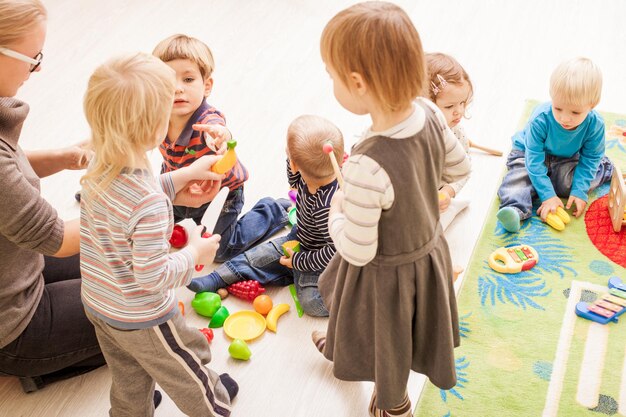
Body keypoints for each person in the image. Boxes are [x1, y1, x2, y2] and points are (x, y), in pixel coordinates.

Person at [311, 3, 463, 416]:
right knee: (353, 308)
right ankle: (344, 348)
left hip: (386, 274)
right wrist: (421, 193)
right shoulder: (431, 113)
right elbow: (460, 166)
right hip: (427, 251)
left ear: (357, 83)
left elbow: (357, 251)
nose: (332, 82)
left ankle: (393, 404)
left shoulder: (364, 164)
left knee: (389, 338)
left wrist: (336, 213)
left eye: (332, 75)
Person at [80, 52, 238, 417]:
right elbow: (152, 277)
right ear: (153, 127)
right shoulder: (149, 202)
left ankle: (129, 411)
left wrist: (180, 177)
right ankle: (212, 404)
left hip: (101, 303)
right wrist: (194, 254)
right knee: (185, 362)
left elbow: (133, 197)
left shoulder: (99, 164)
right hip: (142, 315)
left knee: (128, 373)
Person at [0, 0, 103, 393]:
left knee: (118, 263)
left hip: (17, 265)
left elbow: (10, 172)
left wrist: (59, 158)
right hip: (11, 327)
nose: (37, 67)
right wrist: (147, 204)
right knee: (141, 304)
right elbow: (55, 238)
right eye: (31, 57)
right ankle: (34, 365)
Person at [188, 115, 343, 317]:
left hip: (323, 257)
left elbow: (334, 253)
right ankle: (218, 278)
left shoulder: (327, 208)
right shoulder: (315, 172)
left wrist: (299, 262)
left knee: (312, 303)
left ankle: (347, 297)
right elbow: (294, 180)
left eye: (289, 156)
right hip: (302, 237)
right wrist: (292, 160)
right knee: (258, 256)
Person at [153, 34, 290, 262]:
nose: (177, 89)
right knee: (150, 226)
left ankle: (272, 211)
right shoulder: (155, 117)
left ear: (206, 86)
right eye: (167, 81)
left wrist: (221, 137)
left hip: (220, 194)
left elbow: (219, 130)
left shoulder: (207, 120)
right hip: (176, 187)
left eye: (188, 80)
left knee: (222, 250)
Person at [496, 57, 613, 233]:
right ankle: (515, 209)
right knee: (518, 179)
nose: (565, 118)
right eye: (558, 108)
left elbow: (589, 158)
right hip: (528, 154)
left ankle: (605, 168)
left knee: (569, 184)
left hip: (568, 157)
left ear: (592, 105)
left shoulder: (595, 124)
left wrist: (579, 191)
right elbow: (533, 161)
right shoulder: (540, 119)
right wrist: (548, 195)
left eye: (575, 112)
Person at [425, 52, 473, 213]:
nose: (459, 111)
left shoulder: (456, 132)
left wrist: (448, 192)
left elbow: (465, 171)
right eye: (449, 106)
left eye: (462, 103)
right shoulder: (411, 130)